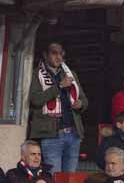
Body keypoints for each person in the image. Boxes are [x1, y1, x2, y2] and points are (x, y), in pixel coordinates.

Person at [27, 41, 86, 173]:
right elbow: (35, 100)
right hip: (51, 135)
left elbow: (84, 99)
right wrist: (59, 86)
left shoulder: (70, 74)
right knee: (54, 178)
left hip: (73, 133)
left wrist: (80, 104)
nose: (58, 57)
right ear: (45, 55)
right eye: (54, 53)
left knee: (70, 178)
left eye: (61, 54)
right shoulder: (36, 74)